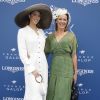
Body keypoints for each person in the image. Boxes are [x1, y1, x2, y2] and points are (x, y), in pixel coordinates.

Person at [15, 3, 52, 100]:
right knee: (33, 95)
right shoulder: (22, 32)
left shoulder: (41, 32)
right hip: (31, 68)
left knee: (43, 93)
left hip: (43, 66)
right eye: (34, 14)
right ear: (29, 15)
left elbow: (43, 49)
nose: (37, 17)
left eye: (39, 15)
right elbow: (23, 54)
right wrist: (32, 69)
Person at [45, 8, 78, 100]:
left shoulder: (71, 36)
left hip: (67, 70)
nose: (62, 21)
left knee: (63, 95)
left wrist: (75, 73)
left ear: (67, 21)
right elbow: (44, 55)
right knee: (51, 94)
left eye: (64, 19)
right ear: (56, 20)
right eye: (60, 19)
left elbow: (74, 55)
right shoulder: (50, 37)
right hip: (54, 70)